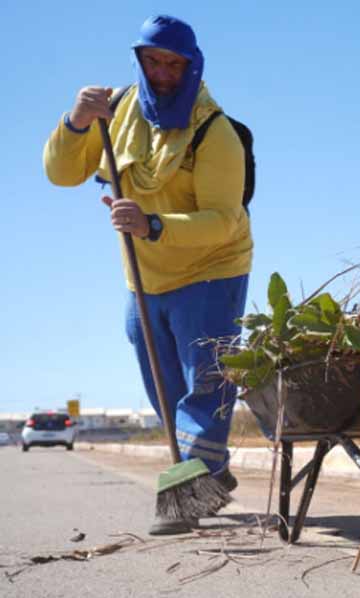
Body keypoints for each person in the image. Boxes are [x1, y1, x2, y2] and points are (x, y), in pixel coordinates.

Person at [43, 15, 253, 535]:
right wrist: (74, 124)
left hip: (211, 269)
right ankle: (205, 474)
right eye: (152, 61)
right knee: (164, 384)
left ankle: (191, 492)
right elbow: (61, 174)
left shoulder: (214, 131)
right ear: (139, 60)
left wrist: (152, 223)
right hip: (146, 278)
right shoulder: (117, 113)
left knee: (206, 382)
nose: (162, 73)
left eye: (173, 64)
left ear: (191, 65)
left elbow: (226, 221)